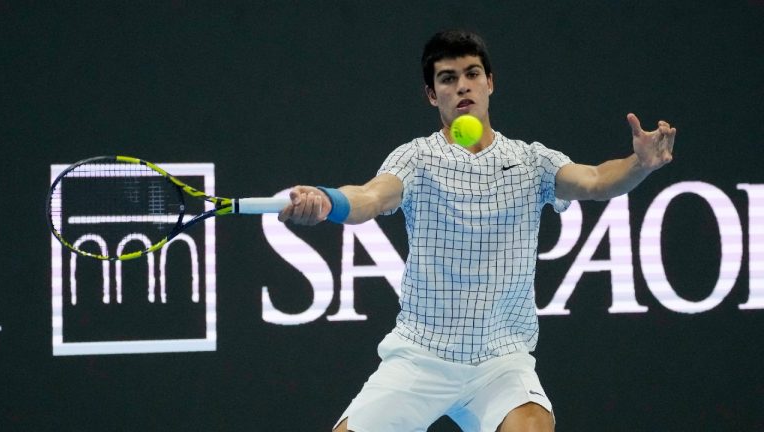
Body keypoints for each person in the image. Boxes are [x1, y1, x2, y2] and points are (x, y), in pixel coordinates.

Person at [278, 29, 676, 432]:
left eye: (472, 73)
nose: (463, 85)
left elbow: (594, 179)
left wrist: (638, 165)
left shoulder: (530, 161)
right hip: (421, 357)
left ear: (490, 82)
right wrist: (328, 202)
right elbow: (370, 196)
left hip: (501, 363)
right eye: (448, 78)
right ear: (433, 95)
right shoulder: (417, 158)